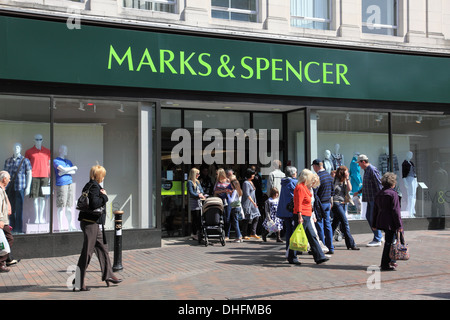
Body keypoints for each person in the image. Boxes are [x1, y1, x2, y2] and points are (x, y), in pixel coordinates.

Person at [74, 165, 122, 291]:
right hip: (90, 224)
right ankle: (78, 282)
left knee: (102, 248)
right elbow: (94, 204)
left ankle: (109, 274)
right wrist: (105, 196)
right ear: (99, 175)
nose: (104, 177)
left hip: (91, 223)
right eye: (103, 175)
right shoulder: (94, 186)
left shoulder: (88, 185)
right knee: (87, 253)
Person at [292, 169, 329, 265]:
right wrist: (299, 215)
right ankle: (292, 256)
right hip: (302, 215)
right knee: (297, 236)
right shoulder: (300, 187)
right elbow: (298, 203)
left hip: (306, 215)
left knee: (312, 236)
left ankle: (319, 256)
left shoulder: (304, 187)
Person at [373, 172, 403, 271]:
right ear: (393, 183)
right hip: (391, 221)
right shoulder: (393, 194)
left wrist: (374, 223)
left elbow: (375, 210)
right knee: (389, 242)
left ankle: (390, 261)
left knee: (389, 241)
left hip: (381, 219)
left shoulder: (379, 193)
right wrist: (399, 225)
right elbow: (396, 211)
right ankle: (385, 263)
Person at [354, 154, 383, 247]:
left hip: (374, 199)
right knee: (369, 216)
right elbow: (367, 184)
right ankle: (379, 236)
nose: (358, 165)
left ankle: (377, 238)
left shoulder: (372, 170)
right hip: (370, 198)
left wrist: (380, 198)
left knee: (372, 217)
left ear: (363, 162)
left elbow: (379, 185)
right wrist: (359, 191)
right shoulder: (366, 170)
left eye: (359, 163)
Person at [4, 143, 32, 234]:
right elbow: (4, 175)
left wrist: (28, 187)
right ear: (12, 148)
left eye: (18, 147)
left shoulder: (25, 160)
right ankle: (12, 229)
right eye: (15, 147)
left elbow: (29, 174)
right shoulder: (8, 161)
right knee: (10, 209)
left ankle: (19, 230)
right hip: (9, 188)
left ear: (20, 148)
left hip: (20, 187)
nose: (16, 149)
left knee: (19, 209)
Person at [331, 166, 360, 251]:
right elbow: (332, 191)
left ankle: (327, 242)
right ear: (342, 172)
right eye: (347, 172)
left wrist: (347, 179)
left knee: (335, 224)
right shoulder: (335, 180)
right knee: (345, 223)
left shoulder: (345, 180)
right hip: (336, 203)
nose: (348, 173)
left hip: (343, 203)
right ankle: (351, 244)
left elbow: (350, 189)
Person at [25, 134, 51, 224]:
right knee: (35, 198)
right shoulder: (29, 152)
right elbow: (26, 167)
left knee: (43, 198)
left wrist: (50, 176)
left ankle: (41, 217)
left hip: (45, 176)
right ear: (34, 140)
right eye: (37, 139)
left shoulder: (47, 151)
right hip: (34, 176)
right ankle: (36, 217)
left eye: (40, 139)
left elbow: (49, 165)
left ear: (42, 140)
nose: (38, 141)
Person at [311, 159, 335, 254]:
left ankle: (323, 246)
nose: (313, 168)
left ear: (316, 166)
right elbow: (332, 191)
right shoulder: (329, 176)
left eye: (313, 166)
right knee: (328, 225)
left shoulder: (318, 177)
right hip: (327, 203)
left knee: (319, 225)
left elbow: (315, 192)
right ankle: (331, 247)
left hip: (319, 204)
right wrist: (330, 201)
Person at [276, 166, 299, 263]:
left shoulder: (284, 182)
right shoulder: (293, 182)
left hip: (285, 210)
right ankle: (292, 251)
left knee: (289, 230)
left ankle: (288, 250)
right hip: (292, 210)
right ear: (293, 173)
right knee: (293, 230)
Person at [53, 145, 78, 231]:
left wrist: (63, 172)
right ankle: (60, 227)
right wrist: (72, 168)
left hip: (69, 183)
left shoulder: (68, 161)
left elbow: (73, 172)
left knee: (69, 206)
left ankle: (70, 225)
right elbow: (62, 169)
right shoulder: (56, 160)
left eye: (66, 149)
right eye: (64, 149)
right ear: (60, 150)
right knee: (61, 205)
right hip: (62, 184)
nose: (66, 151)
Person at [241, 168, 261, 240]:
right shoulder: (246, 183)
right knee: (246, 218)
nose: (254, 176)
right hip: (248, 203)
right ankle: (244, 234)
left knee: (257, 216)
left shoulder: (251, 182)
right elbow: (247, 194)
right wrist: (253, 202)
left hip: (253, 202)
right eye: (253, 174)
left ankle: (253, 232)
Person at [187, 168, 205, 241]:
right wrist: (198, 195)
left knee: (199, 218)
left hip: (199, 202)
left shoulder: (197, 182)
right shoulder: (190, 182)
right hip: (194, 202)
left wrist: (201, 194)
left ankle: (199, 233)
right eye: (198, 174)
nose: (199, 175)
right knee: (195, 218)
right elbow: (191, 193)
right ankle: (194, 234)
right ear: (194, 174)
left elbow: (201, 190)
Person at [0, 171, 13, 272]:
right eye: (8, 178)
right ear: (4, 179)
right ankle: (1, 262)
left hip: (4, 221)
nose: (9, 180)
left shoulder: (2, 190)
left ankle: (4, 260)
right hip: (2, 221)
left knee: (7, 239)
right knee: (9, 239)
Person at [213, 168, 232, 238]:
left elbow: (232, 190)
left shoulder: (228, 180)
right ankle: (222, 233)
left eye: (217, 174)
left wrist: (227, 191)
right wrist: (223, 191)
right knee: (222, 217)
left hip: (227, 200)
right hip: (220, 201)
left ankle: (227, 234)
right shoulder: (217, 181)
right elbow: (215, 191)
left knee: (227, 217)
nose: (216, 175)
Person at [227, 174, 243, 242]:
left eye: (231, 185)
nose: (230, 186)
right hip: (238, 207)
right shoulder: (239, 191)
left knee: (235, 222)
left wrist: (228, 195)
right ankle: (239, 236)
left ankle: (238, 237)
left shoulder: (235, 191)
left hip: (235, 208)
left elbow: (231, 201)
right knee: (236, 222)